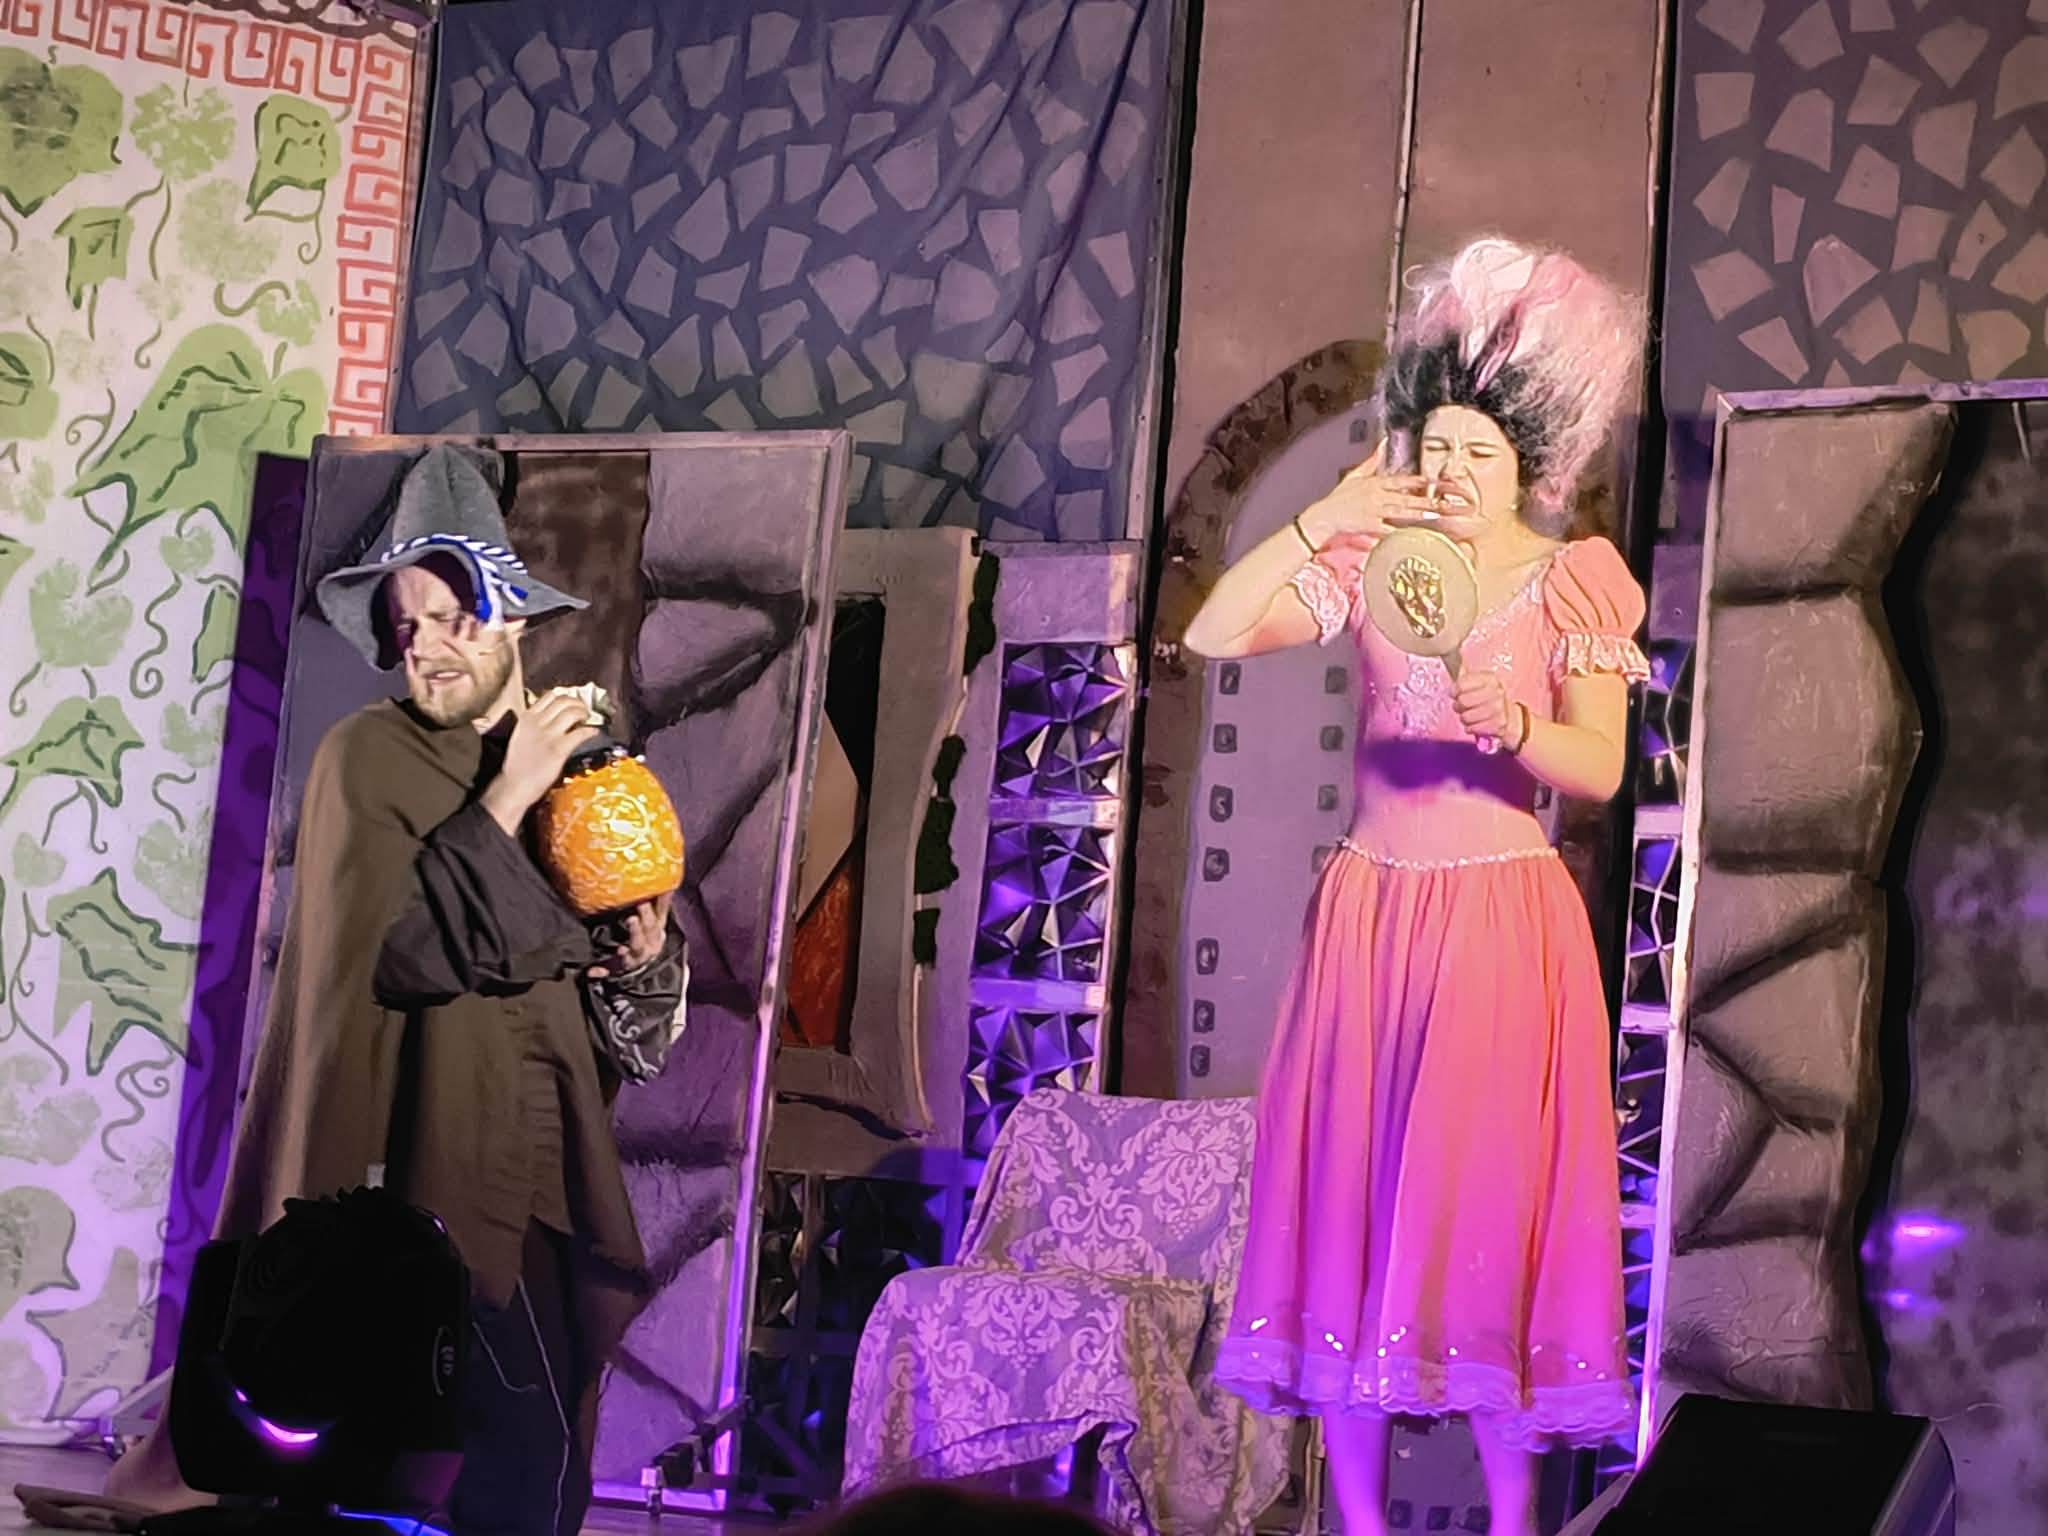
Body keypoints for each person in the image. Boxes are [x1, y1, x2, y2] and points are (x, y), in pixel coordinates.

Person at [103, 445, 687, 1536]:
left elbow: (635, 1038)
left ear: (512, 620)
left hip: (535, 1169)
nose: (428, 646)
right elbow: (400, 957)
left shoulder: (580, 770)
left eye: (454, 618)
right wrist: (507, 795)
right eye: (407, 625)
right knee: (379, 1469)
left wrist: (641, 961)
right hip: (401, 1183)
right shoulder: (364, 758)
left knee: (529, 1481)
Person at [1185, 238, 1647, 1536]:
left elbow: (1600, 768)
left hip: (1498, 921)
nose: (1448, 471)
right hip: (1371, 916)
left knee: (1488, 1207)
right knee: (1352, 1208)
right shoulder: (1375, 567)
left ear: (1526, 465)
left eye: (1474, 453)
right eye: (1433, 447)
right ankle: (1362, 1525)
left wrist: (1521, 727)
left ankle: (1511, 1524)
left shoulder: (1571, 580)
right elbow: (1214, 632)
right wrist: (1321, 518)